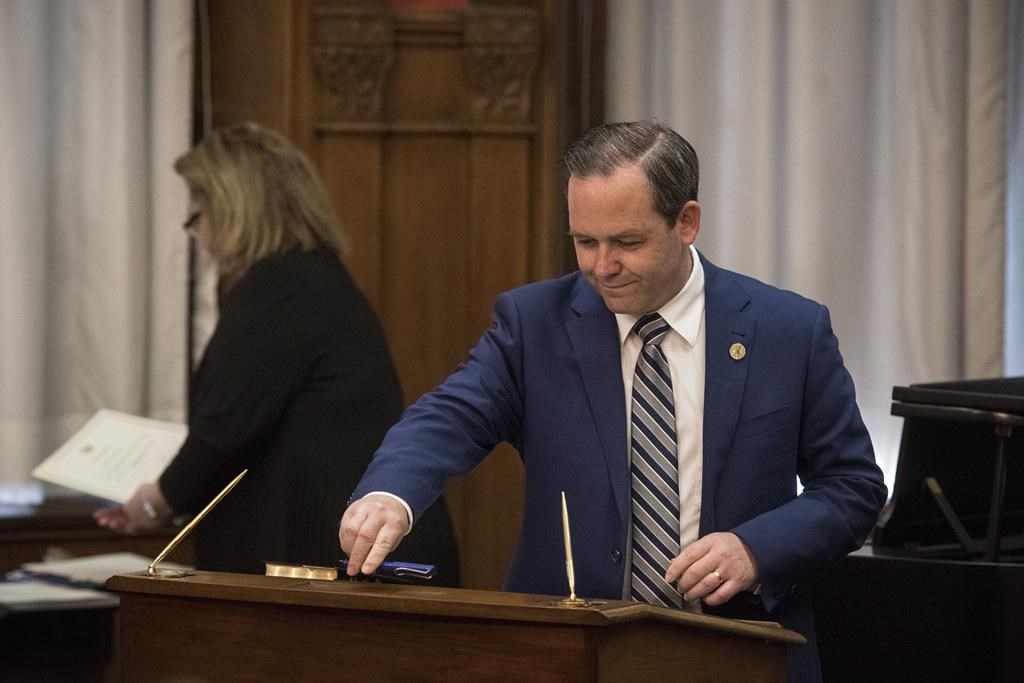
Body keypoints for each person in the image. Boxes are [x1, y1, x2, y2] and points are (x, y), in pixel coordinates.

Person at [339, 120, 886, 681]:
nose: (602, 266)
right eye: (584, 242)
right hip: (568, 654)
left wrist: (755, 550)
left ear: (687, 223)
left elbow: (853, 486)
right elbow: (450, 416)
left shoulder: (789, 331)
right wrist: (390, 494)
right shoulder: (534, 325)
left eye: (627, 242)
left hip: (740, 650)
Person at [94, 122, 459, 584]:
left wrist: (154, 501)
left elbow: (225, 430)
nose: (199, 236)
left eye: (197, 217)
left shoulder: (278, 291)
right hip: (351, 548)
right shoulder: (313, 280)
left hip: (330, 561)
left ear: (232, 211)